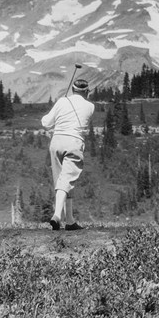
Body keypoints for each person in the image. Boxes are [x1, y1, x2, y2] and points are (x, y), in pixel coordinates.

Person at [41, 78, 95, 231]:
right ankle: (57, 216)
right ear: (87, 91)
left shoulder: (61, 102)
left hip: (56, 142)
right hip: (74, 143)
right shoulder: (90, 106)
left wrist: (60, 104)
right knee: (66, 180)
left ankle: (70, 221)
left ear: (72, 89)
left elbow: (46, 123)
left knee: (62, 181)